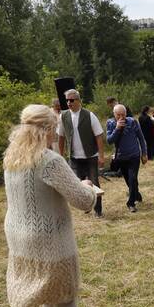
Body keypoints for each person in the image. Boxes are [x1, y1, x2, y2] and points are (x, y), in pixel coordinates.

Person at [3, 104, 101, 307]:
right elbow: (82, 201)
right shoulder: (49, 161)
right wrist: (88, 186)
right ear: (46, 129)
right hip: (48, 233)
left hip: (18, 233)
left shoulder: (12, 157)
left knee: (46, 283)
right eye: (54, 127)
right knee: (63, 285)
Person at [57, 89, 105, 217]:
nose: (69, 103)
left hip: (91, 156)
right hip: (74, 158)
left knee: (94, 182)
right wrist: (60, 155)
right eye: (67, 100)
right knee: (78, 184)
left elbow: (99, 135)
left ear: (78, 101)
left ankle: (98, 210)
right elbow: (60, 137)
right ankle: (86, 205)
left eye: (71, 100)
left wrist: (101, 155)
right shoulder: (63, 116)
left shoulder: (89, 115)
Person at [105, 103, 148, 213]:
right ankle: (136, 194)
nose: (121, 117)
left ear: (126, 113)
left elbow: (141, 138)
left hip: (134, 155)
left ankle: (131, 203)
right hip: (121, 158)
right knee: (130, 181)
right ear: (114, 114)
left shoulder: (133, 122)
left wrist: (144, 153)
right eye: (118, 115)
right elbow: (110, 140)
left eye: (123, 114)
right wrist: (117, 128)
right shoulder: (110, 123)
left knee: (133, 178)